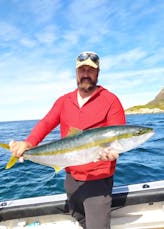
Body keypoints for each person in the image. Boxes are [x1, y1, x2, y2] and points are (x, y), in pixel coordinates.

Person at [10, 51, 126, 229]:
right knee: (78, 218)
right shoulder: (64, 101)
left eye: (90, 70)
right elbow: (46, 122)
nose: (86, 74)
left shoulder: (110, 100)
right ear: (76, 73)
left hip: (97, 180)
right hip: (70, 177)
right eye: (82, 70)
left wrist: (112, 154)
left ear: (98, 73)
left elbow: (118, 134)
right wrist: (29, 143)